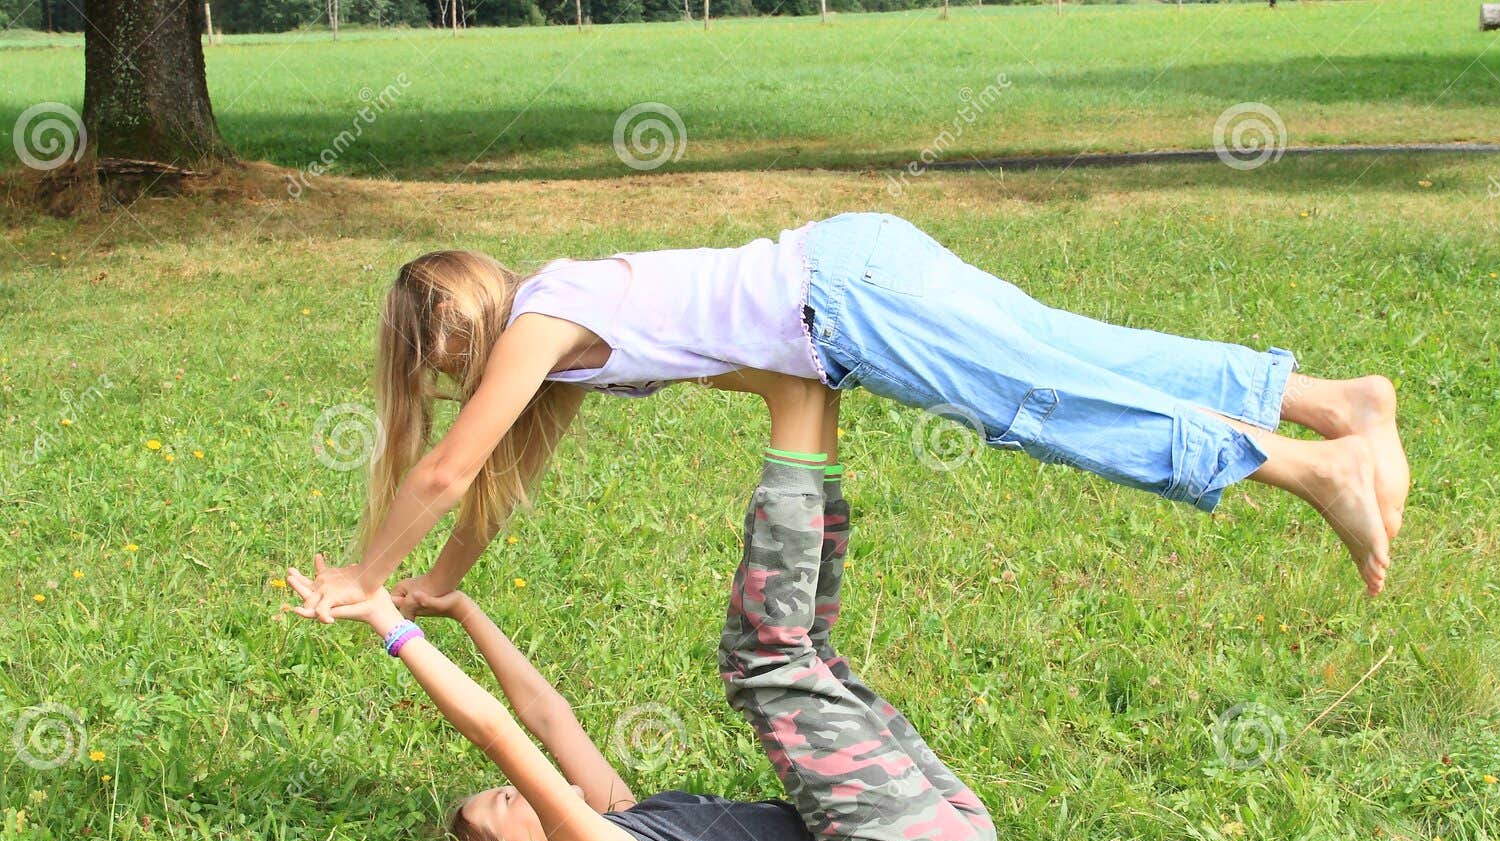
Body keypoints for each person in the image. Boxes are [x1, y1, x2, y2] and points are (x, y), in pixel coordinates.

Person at [295, 212, 1407, 627]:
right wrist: (437, 583)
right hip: (854, 259)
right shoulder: (564, 337)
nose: (444, 386)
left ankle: (1313, 473)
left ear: (454, 320)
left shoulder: (541, 317)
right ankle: (1331, 405)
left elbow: (449, 471)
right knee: (1069, 351)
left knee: (1044, 401)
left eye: (432, 360)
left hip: (848, 301)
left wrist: (360, 576)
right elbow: (493, 492)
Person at [283, 410, 995, 841]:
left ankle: (811, 427)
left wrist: (463, 610)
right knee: (765, 661)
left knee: (812, 656)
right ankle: (798, 422)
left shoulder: (625, 826)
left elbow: (547, 716)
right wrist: (387, 624)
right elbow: (497, 730)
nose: (522, 783)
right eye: (507, 796)